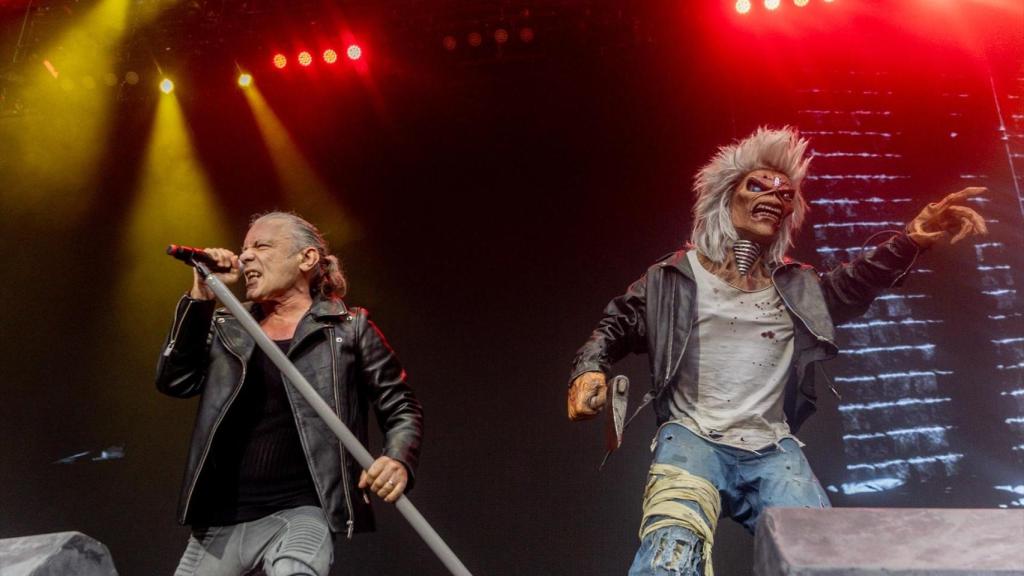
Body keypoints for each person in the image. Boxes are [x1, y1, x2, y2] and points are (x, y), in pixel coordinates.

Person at [566, 127, 987, 575]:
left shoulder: (796, 286)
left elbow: (854, 282)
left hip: (771, 447)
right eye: (758, 186)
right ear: (725, 196)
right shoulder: (672, 277)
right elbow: (617, 324)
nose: (774, 197)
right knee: (671, 552)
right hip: (691, 438)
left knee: (823, 555)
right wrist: (588, 370)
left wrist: (910, 239)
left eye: (786, 193)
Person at [157, 212, 423, 576]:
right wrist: (203, 293)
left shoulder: (347, 329)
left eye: (261, 246)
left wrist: (397, 459)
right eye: (244, 248)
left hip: (302, 510)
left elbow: (401, 407)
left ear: (307, 259)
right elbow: (176, 380)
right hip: (222, 519)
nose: (245, 256)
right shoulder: (230, 325)